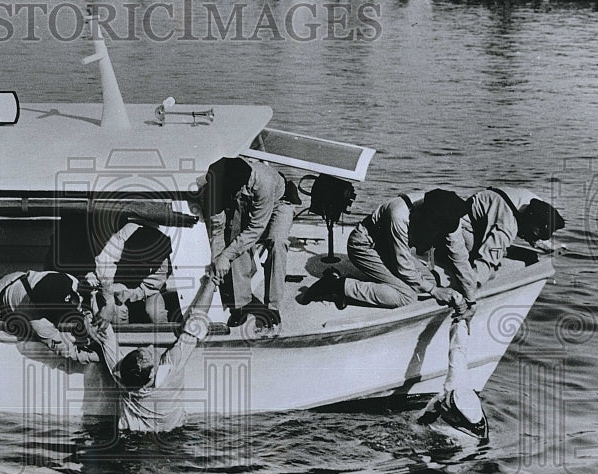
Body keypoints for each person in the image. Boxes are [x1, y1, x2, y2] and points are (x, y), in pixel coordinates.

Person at [88, 274, 217, 433]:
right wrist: (211, 282)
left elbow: (104, 331)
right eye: (150, 354)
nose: (150, 345)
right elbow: (195, 324)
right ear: (151, 375)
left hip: (132, 435)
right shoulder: (170, 372)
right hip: (172, 436)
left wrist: (97, 295)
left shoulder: (120, 376)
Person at [303, 189, 469, 310]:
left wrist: (470, 296)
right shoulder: (399, 214)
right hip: (363, 246)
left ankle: (367, 283)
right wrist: (435, 291)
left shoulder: (443, 207)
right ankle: (336, 285)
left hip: (387, 247)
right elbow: (402, 267)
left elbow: (458, 253)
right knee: (407, 297)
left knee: (429, 280)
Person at [202, 156, 297, 327]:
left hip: (278, 204)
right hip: (248, 205)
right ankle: (241, 304)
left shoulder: (264, 181)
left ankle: (273, 306)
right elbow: (218, 228)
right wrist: (218, 259)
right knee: (234, 242)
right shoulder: (218, 183)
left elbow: (255, 229)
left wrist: (226, 256)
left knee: (277, 242)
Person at [436, 186, 565, 313]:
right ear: (528, 220)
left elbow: (533, 230)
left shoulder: (532, 202)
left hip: (483, 215)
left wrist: (548, 247)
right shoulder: (506, 227)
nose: (533, 238)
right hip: (463, 225)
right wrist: (470, 293)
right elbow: (486, 261)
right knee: (480, 267)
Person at [0, 270, 99, 363]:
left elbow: (81, 300)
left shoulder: (68, 281)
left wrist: (87, 316)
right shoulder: (39, 321)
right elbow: (65, 349)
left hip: (17, 277)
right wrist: (91, 356)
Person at [94, 220, 175, 326]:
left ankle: (163, 340)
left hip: (148, 288)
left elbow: (152, 287)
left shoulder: (165, 254)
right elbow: (104, 264)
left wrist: (134, 294)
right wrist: (109, 302)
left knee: (156, 312)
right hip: (120, 281)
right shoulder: (123, 236)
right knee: (117, 311)